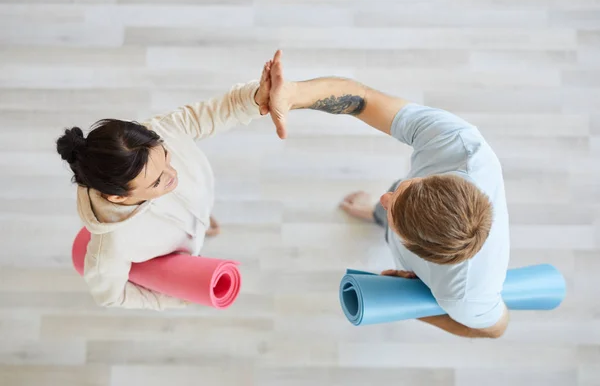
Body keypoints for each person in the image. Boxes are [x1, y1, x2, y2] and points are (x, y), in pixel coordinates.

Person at [267, 50, 510, 339]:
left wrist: (412, 300)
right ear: (437, 179)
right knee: (385, 206)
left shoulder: (466, 294)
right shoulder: (456, 142)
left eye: (391, 209)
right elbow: (362, 99)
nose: (386, 195)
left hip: (427, 277)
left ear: (414, 248)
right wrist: (294, 94)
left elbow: (496, 329)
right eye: (405, 190)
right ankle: (376, 216)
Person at [57, 59, 277, 310]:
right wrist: (176, 296)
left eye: (166, 157)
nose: (173, 174)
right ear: (118, 198)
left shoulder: (164, 131)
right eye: (158, 180)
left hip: (194, 211)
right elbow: (110, 296)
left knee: (190, 211)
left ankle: (199, 223)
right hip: (172, 256)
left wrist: (258, 96)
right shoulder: (111, 247)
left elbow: (221, 109)